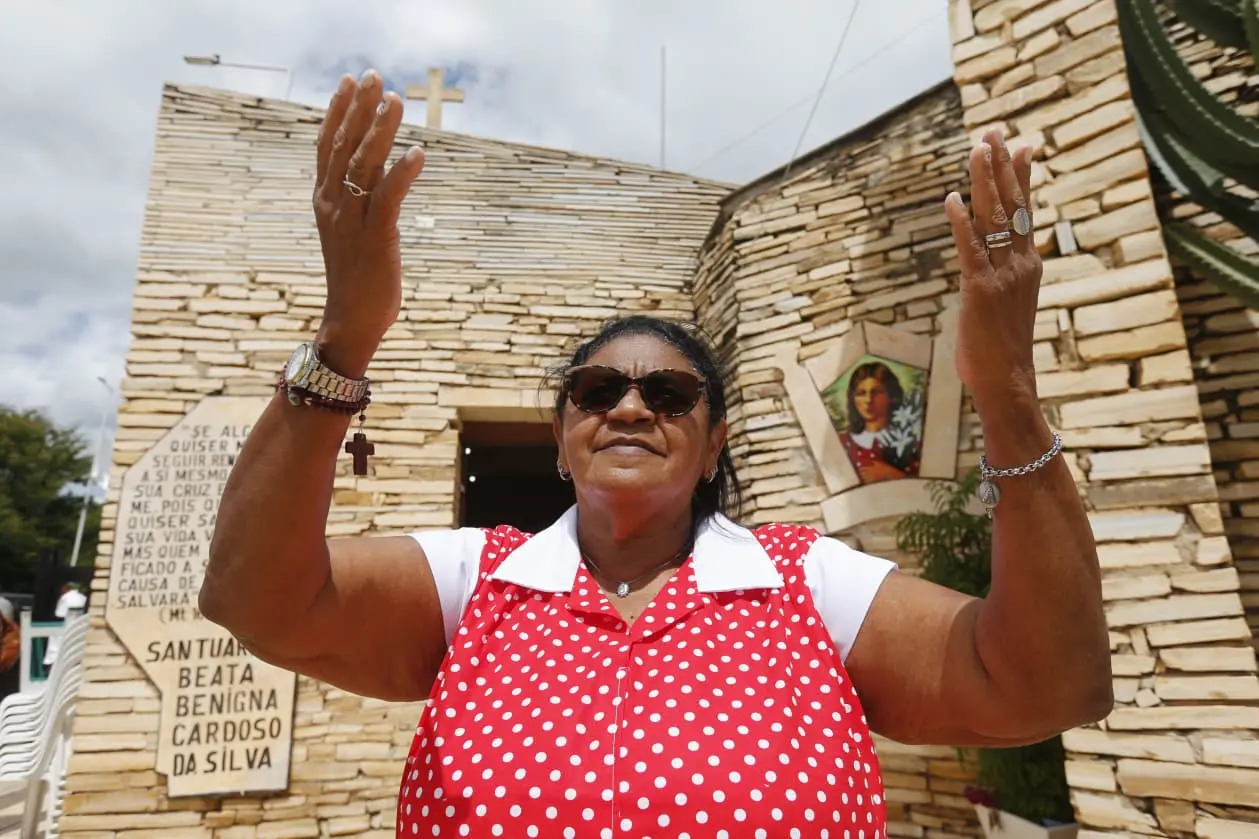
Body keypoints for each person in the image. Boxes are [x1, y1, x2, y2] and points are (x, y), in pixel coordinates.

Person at [203, 71, 1112, 837]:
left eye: (669, 394)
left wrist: (1007, 395)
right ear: (562, 437)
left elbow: (1047, 683)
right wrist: (344, 338)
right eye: (597, 392)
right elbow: (254, 599)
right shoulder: (478, 585)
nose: (631, 406)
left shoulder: (805, 587)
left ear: (713, 440)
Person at [837, 361, 921, 484]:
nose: (868, 400)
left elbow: (927, 488)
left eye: (876, 392)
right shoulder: (843, 442)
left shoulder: (908, 440)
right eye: (861, 393)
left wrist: (890, 474)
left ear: (891, 396)